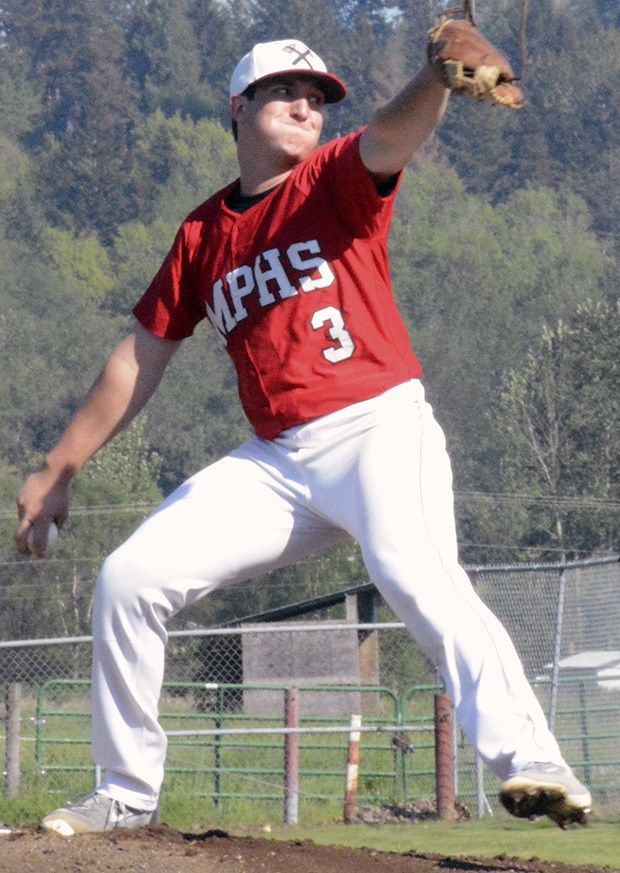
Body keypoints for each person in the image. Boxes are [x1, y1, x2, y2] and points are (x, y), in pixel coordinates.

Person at [16, 29, 591, 835]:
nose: (305, 105)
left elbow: (392, 135)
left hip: (377, 428)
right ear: (238, 108)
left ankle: (533, 759)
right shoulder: (203, 233)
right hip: (278, 462)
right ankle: (125, 791)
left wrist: (433, 79)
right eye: (285, 90)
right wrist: (60, 465)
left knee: (413, 572)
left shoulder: (330, 179)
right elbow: (139, 358)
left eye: (318, 96)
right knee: (129, 575)